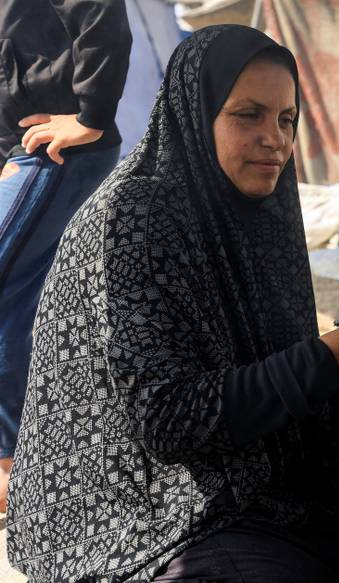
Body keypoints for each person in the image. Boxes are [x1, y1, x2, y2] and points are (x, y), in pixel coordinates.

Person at [7, 25, 339, 582]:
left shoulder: (253, 205)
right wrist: (336, 356)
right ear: (194, 111)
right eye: (248, 115)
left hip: (232, 453)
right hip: (138, 504)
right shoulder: (137, 219)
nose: (276, 140)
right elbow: (168, 422)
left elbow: (271, 357)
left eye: (286, 119)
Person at [0, 0, 132, 511]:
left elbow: (100, 11)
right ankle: (48, 458)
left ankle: (16, 465)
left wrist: (91, 117)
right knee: (25, 302)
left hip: (59, 148)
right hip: (24, 148)